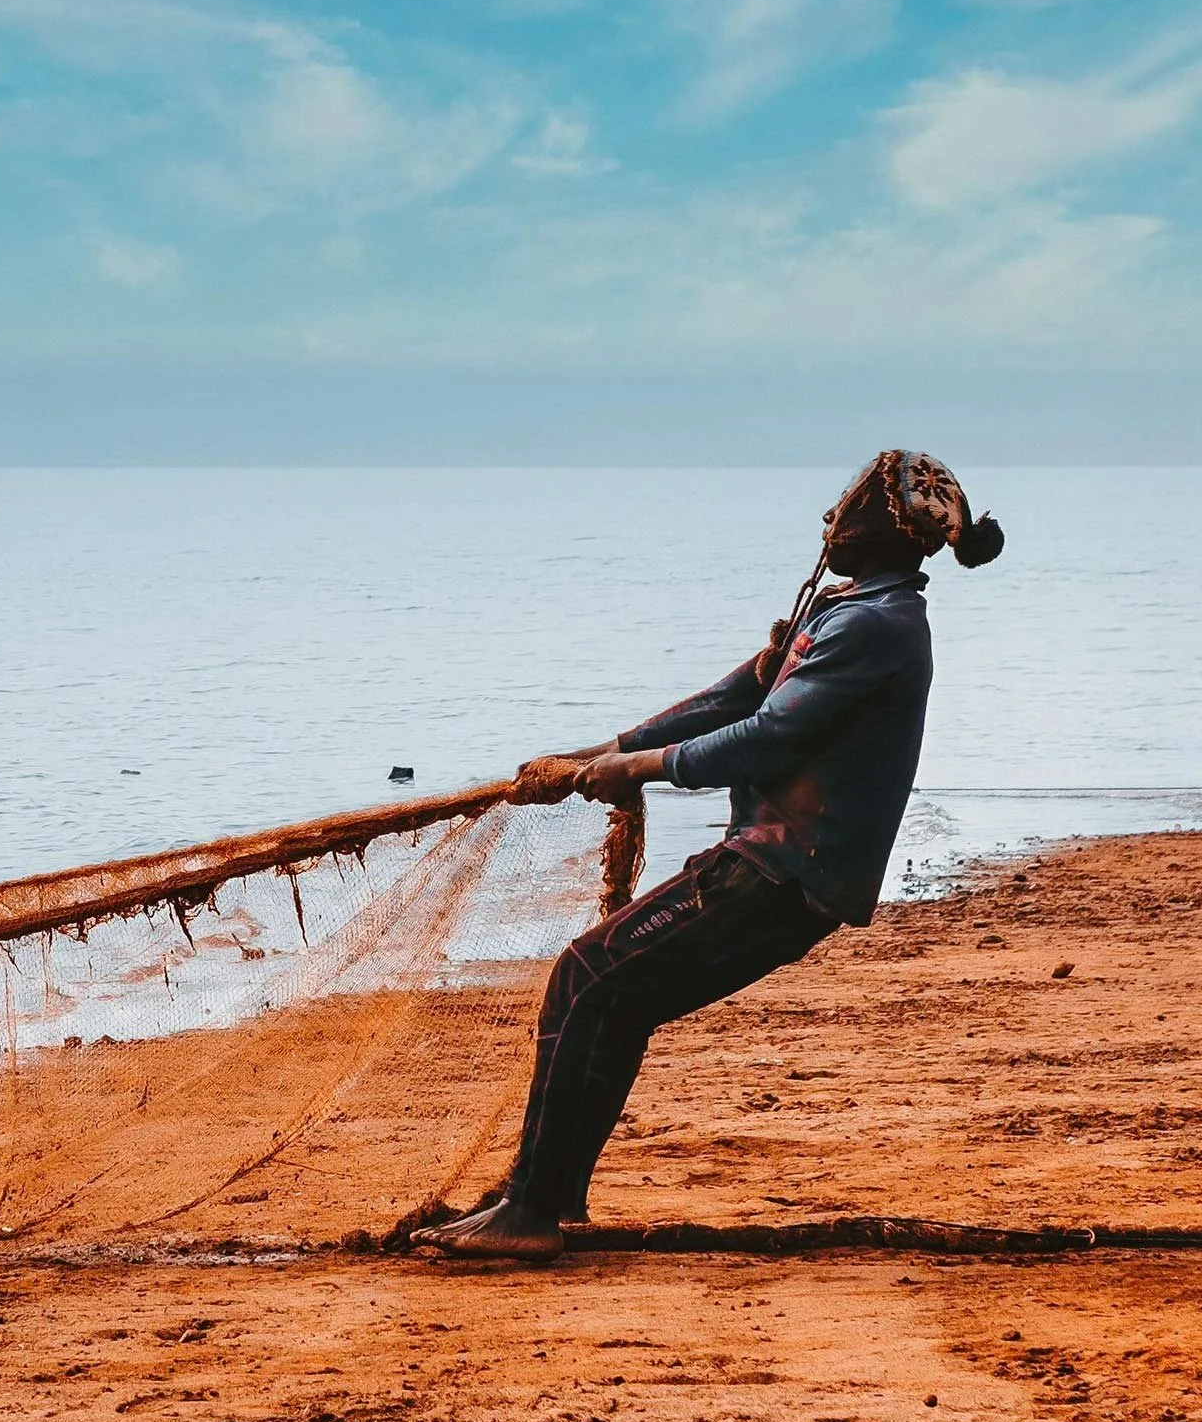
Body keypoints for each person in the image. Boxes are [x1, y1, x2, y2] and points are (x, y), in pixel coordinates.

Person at [403, 452, 1005, 1260]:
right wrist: (607, 748)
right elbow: (737, 696)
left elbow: (765, 738)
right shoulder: (845, 610)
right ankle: (543, 1198)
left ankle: (530, 1213)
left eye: (843, 511)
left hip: (785, 873)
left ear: (873, 530)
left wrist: (638, 770)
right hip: (768, 863)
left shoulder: (875, 626)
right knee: (615, 998)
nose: (828, 524)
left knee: (585, 977)